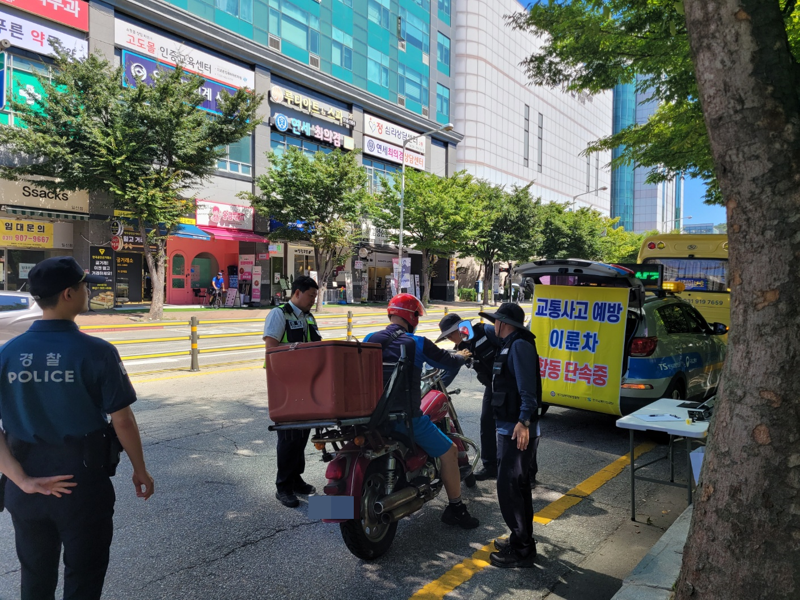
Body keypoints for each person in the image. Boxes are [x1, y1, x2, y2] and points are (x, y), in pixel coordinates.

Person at [0, 256, 154, 599]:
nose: (88, 292)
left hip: (25, 486)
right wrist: (140, 469)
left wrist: (21, 480)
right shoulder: (96, 352)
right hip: (82, 485)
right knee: (84, 577)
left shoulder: (7, 354)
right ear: (69, 293)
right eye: (85, 286)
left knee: (35, 577)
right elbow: (123, 420)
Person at [364, 294, 479, 529]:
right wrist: (461, 356)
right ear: (413, 316)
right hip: (404, 420)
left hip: (369, 419)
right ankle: (456, 508)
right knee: (447, 451)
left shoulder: (370, 338)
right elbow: (446, 359)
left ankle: (328, 508)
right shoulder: (416, 343)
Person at [478, 302, 542, 568]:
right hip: (511, 427)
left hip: (518, 430)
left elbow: (529, 388)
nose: (494, 325)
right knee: (516, 487)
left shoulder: (519, 345)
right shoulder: (511, 343)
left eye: (496, 321)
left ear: (503, 323)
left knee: (511, 490)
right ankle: (521, 539)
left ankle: (522, 549)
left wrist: (524, 421)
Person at [263, 275, 321, 508]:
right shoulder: (279, 314)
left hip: (306, 384)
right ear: (297, 293)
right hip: (285, 384)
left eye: (315, 297)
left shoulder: (309, 317)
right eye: (310, 296)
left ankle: (296, 479)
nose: (313, 301)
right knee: (288, 436)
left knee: (301, 434)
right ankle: (283, 486)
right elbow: (271, 349)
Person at [436, 313, 501, 481]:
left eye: (451, 334)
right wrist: (434, 389)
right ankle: (490, 466)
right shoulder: (462, 349)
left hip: (510, 384)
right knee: (486, 422)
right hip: (491, 386)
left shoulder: (487, 331)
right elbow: (449, 372)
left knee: (512, 427)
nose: (450, 339)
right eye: (447, 336)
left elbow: (511, 349)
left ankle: (526, 473)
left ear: (461, 328)